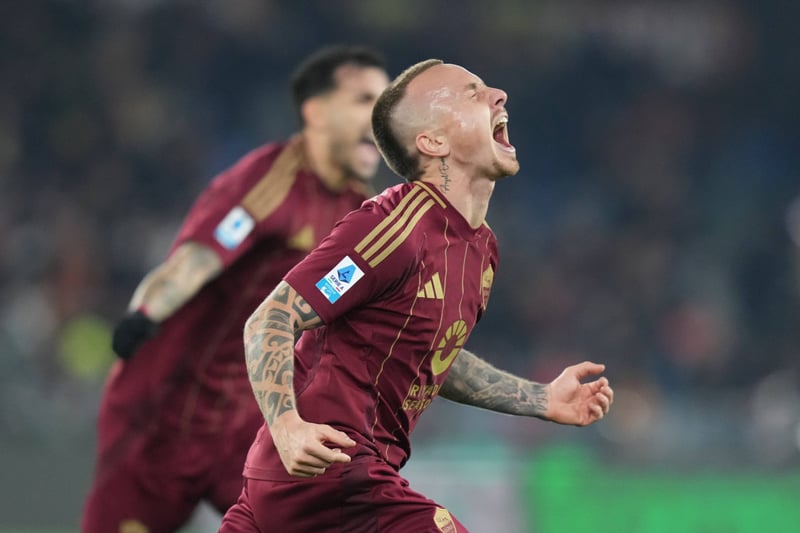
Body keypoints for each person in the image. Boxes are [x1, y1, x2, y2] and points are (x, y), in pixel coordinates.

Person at [219, 59, 615, 533]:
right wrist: (286, 425)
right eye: (471, 93)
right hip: (329, 467)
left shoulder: (482, 250)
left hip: (300, 487)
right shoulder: (393, 229)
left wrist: (540, 398)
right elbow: (272, 318)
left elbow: (430, 354)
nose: (499, 94)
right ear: (433, 142)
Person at [81, 45, 390, 533]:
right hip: (164, 418)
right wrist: (145, 313)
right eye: (364, 100)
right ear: (315, 112)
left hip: (252, 428)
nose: (380, 117)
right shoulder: (270, 181)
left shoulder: (362, 215)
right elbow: (195, 261)